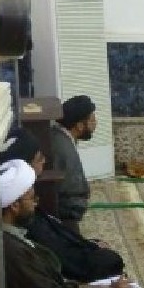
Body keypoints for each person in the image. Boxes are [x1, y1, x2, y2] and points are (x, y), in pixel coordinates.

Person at [0, 159, 142, 288]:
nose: (35, 203)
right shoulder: (12, 251)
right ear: (14, 206)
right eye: (31, 199)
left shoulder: (11, 238)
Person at [0, 129, 125, 282]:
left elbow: (58, 233)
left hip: (70, 259)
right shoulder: (24, 216)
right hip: (70, 272)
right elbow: (61, 255)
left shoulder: (24, 201)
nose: (44, 161)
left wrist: (89, 245)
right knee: (111, 261)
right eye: (39, 158)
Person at [50, 94, 98, 234]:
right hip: (65, 216)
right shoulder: (66, 151)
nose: (95, 123)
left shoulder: (58, 136)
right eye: (92, 120)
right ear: (79, 126)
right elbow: (73, 197)